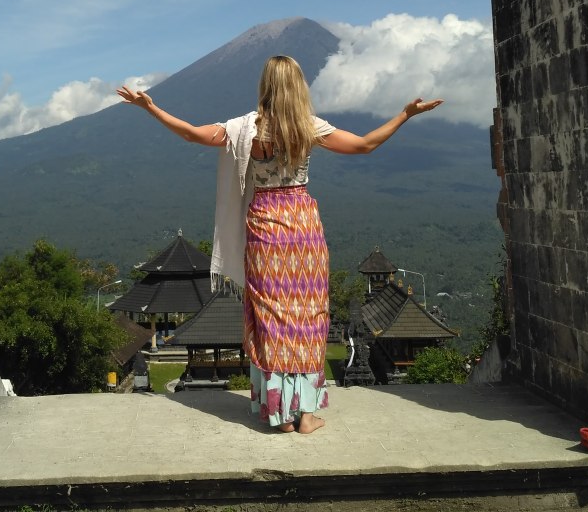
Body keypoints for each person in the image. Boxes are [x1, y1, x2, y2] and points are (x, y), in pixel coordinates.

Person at [118, 55, 442, 434]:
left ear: (265, 86)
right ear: (298, 86)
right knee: (307, 317)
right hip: (302, 227)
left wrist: (151, 107)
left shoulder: (244, 130)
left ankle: (279, 414)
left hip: (265, 228)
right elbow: (364, 145)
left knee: (272, 318)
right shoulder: (308, 127)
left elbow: (192, 134)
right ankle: (305, 413)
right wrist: (405, 114)